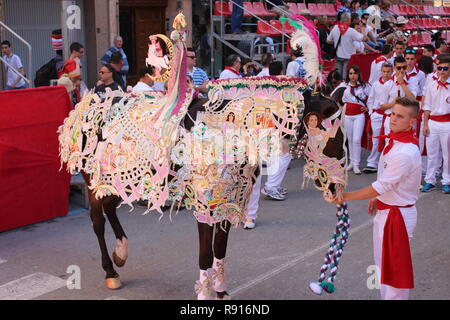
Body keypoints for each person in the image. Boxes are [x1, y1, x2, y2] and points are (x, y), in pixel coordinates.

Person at [334, 96, 421, 300]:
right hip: (389, 209)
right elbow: (386, 182)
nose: (393, 119)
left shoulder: (405, 152)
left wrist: (345, 196)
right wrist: (379, 197)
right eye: (392, 114)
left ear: (412, 122)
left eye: (400, 116)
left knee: (394, 277)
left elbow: (381, 185)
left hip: (397, 216)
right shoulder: (395, 140)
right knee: (383, 268)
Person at [421, 53, 450, 194]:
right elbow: (426, 106)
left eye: (446, 68)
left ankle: (447, 181)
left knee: (447, 154)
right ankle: (430, 180)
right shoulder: (432, 84)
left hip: (447, 123)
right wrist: (425, 124)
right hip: (433, 122)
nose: (442, 71)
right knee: (432, 153)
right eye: (440, 68)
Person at [365, 62, 394, 173]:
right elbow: (371, 100)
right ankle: (372, 162)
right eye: (384, 71)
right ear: (381, 71)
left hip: (388, 115)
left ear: (392, 72)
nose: (386, 74)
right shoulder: (376, 84)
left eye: (388, 72)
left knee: (387, 139)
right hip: (377, 115)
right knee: (376, 139)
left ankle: (386, 162)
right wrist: (371, 113)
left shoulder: (393, 84)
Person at [342, 65, 371, 174]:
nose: (352, 76)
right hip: (348, 115)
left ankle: (356, 164)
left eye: (354, 73)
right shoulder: (344, 85)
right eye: (350, 73)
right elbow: (337, 97)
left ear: (358, 74)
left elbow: (373, 97)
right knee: (349, 139)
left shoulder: (365, 86)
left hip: (359, 115)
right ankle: (351, 162)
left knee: (356, 140)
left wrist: (368, 107)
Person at [327, 12, 363, 79]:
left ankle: (338, 88)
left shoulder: (335, 28)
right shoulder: (351, 30)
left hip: (338, 56)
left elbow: (328, 41)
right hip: (348, 57)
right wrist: (362, 28)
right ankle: (344, 88)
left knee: (337, 76)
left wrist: (335, 41)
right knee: (345, 77)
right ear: (348, 20)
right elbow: (361, 38)